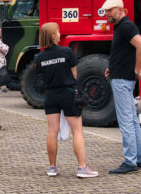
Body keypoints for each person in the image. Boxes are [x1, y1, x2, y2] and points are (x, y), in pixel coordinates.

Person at [35, 22, 98, 178]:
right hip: (68, 94)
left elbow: (41, 76)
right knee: (77, 131)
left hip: (50, 96)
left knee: (52, 132)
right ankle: (82, 168)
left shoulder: (39, 57)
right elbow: (74, 73)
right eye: (57, 32)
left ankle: (52, 167)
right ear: (52, 35)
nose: (59, 34)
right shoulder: (66, 51)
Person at [103, 0, 141, 174]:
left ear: (121, 10)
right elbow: (122, 52)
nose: (107, 14)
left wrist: (137, 70)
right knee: (132, 119)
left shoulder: (126, 27)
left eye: (110, 10)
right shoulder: (123, 27)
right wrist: (111, 68)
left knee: (125, 121)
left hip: (122, 79)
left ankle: (130, 161)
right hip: (122, 76)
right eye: (106, 11)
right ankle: (139, 159)